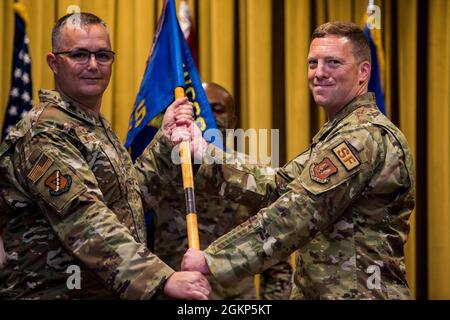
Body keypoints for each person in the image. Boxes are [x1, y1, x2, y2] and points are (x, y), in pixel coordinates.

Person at [180, 21, 415, 299]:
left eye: (333, 62)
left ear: (363, 72)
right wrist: (203, 153)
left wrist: (212, 260)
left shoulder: (362, 136)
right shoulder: (339, 132)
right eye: (313, 63)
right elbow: (277, 186)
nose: (319, 73)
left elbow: (296, 213)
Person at [0, 12, 211, 300]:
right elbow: (86, 222)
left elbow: (129, 197)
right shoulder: (45, 132)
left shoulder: (91, 125)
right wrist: (162, 279)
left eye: (102, 55)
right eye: (79, 55)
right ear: (53, 62)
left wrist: (166, 141)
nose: (92, 65)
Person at [151, 82, 292, 299]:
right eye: (201, 107)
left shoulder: (251, 176)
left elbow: (276, 258)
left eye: (217, 109)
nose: (208, 115)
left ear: (233, 120)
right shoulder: (161, 167)